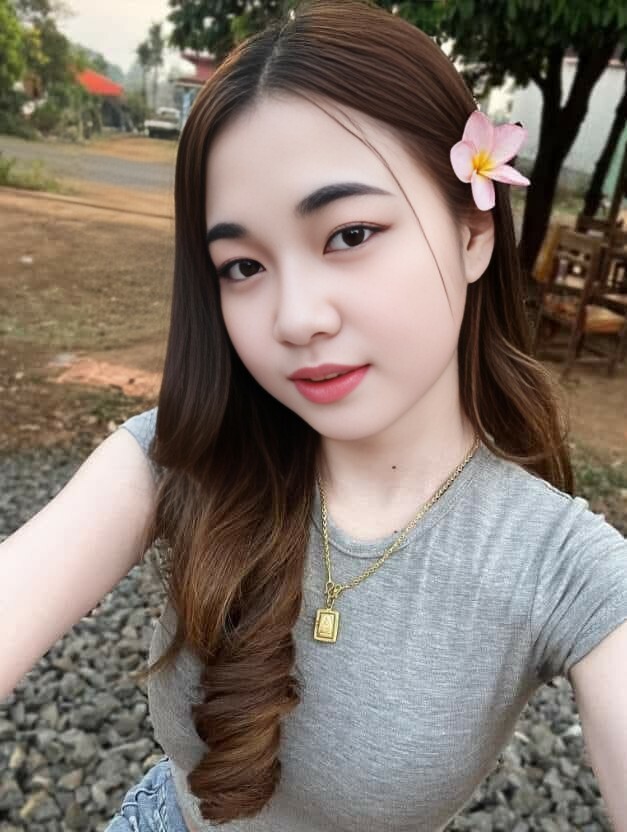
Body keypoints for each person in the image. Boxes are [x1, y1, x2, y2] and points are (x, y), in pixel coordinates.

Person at [1, 1, 626, 830]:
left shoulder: (565, 567)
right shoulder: (183, 453)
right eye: (242, 266)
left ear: (474, 233)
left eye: (349, 234)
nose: (295, 319)